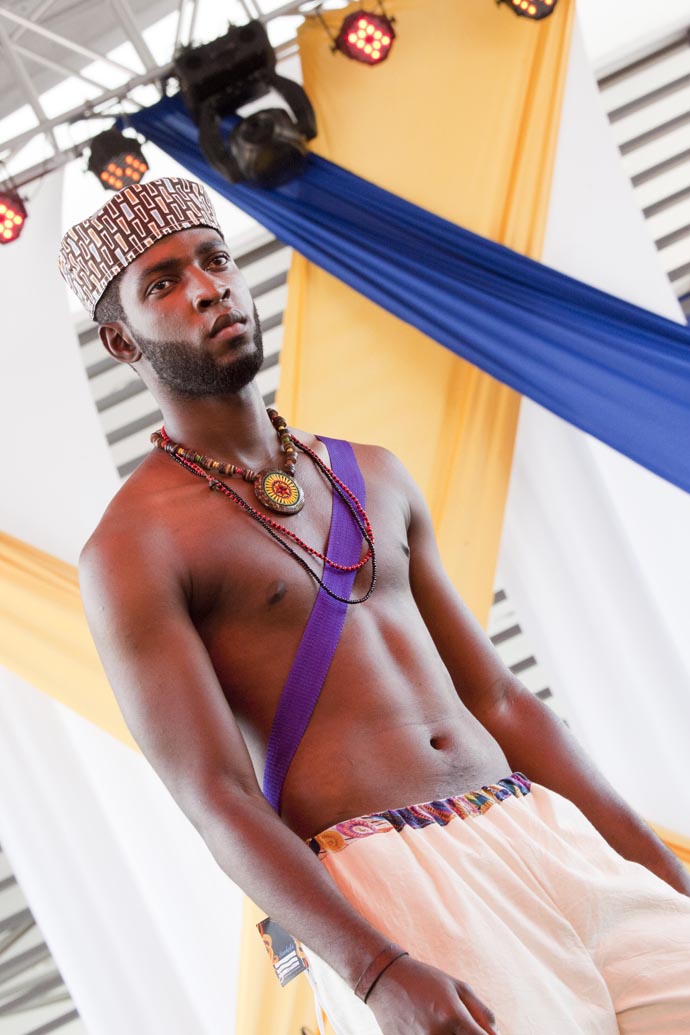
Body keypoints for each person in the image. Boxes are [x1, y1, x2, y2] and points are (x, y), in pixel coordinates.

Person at [59, 176, 690, 1035]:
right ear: (120, 338)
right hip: (395, 884)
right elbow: (216, 794)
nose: (208, 289)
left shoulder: (375, 472)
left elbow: (501, 699)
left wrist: (664, 876)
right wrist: (378, 970)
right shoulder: (133, 549)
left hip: (540, 825)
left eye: (215, 260)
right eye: (163, 283)